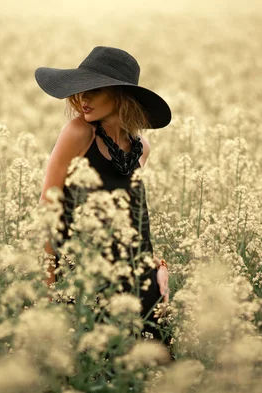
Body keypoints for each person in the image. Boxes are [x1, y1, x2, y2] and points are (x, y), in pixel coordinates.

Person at [35, 46, 173, 349]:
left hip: (136, 280)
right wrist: (47, 282)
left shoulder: (142, 148)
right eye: (82, 91)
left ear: (121, 95)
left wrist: (158, 266)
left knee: (148, 372)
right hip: (84, 279)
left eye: (95, 90)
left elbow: (135, 217)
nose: (84, 99)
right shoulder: (77, 133)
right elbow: (49, 205)